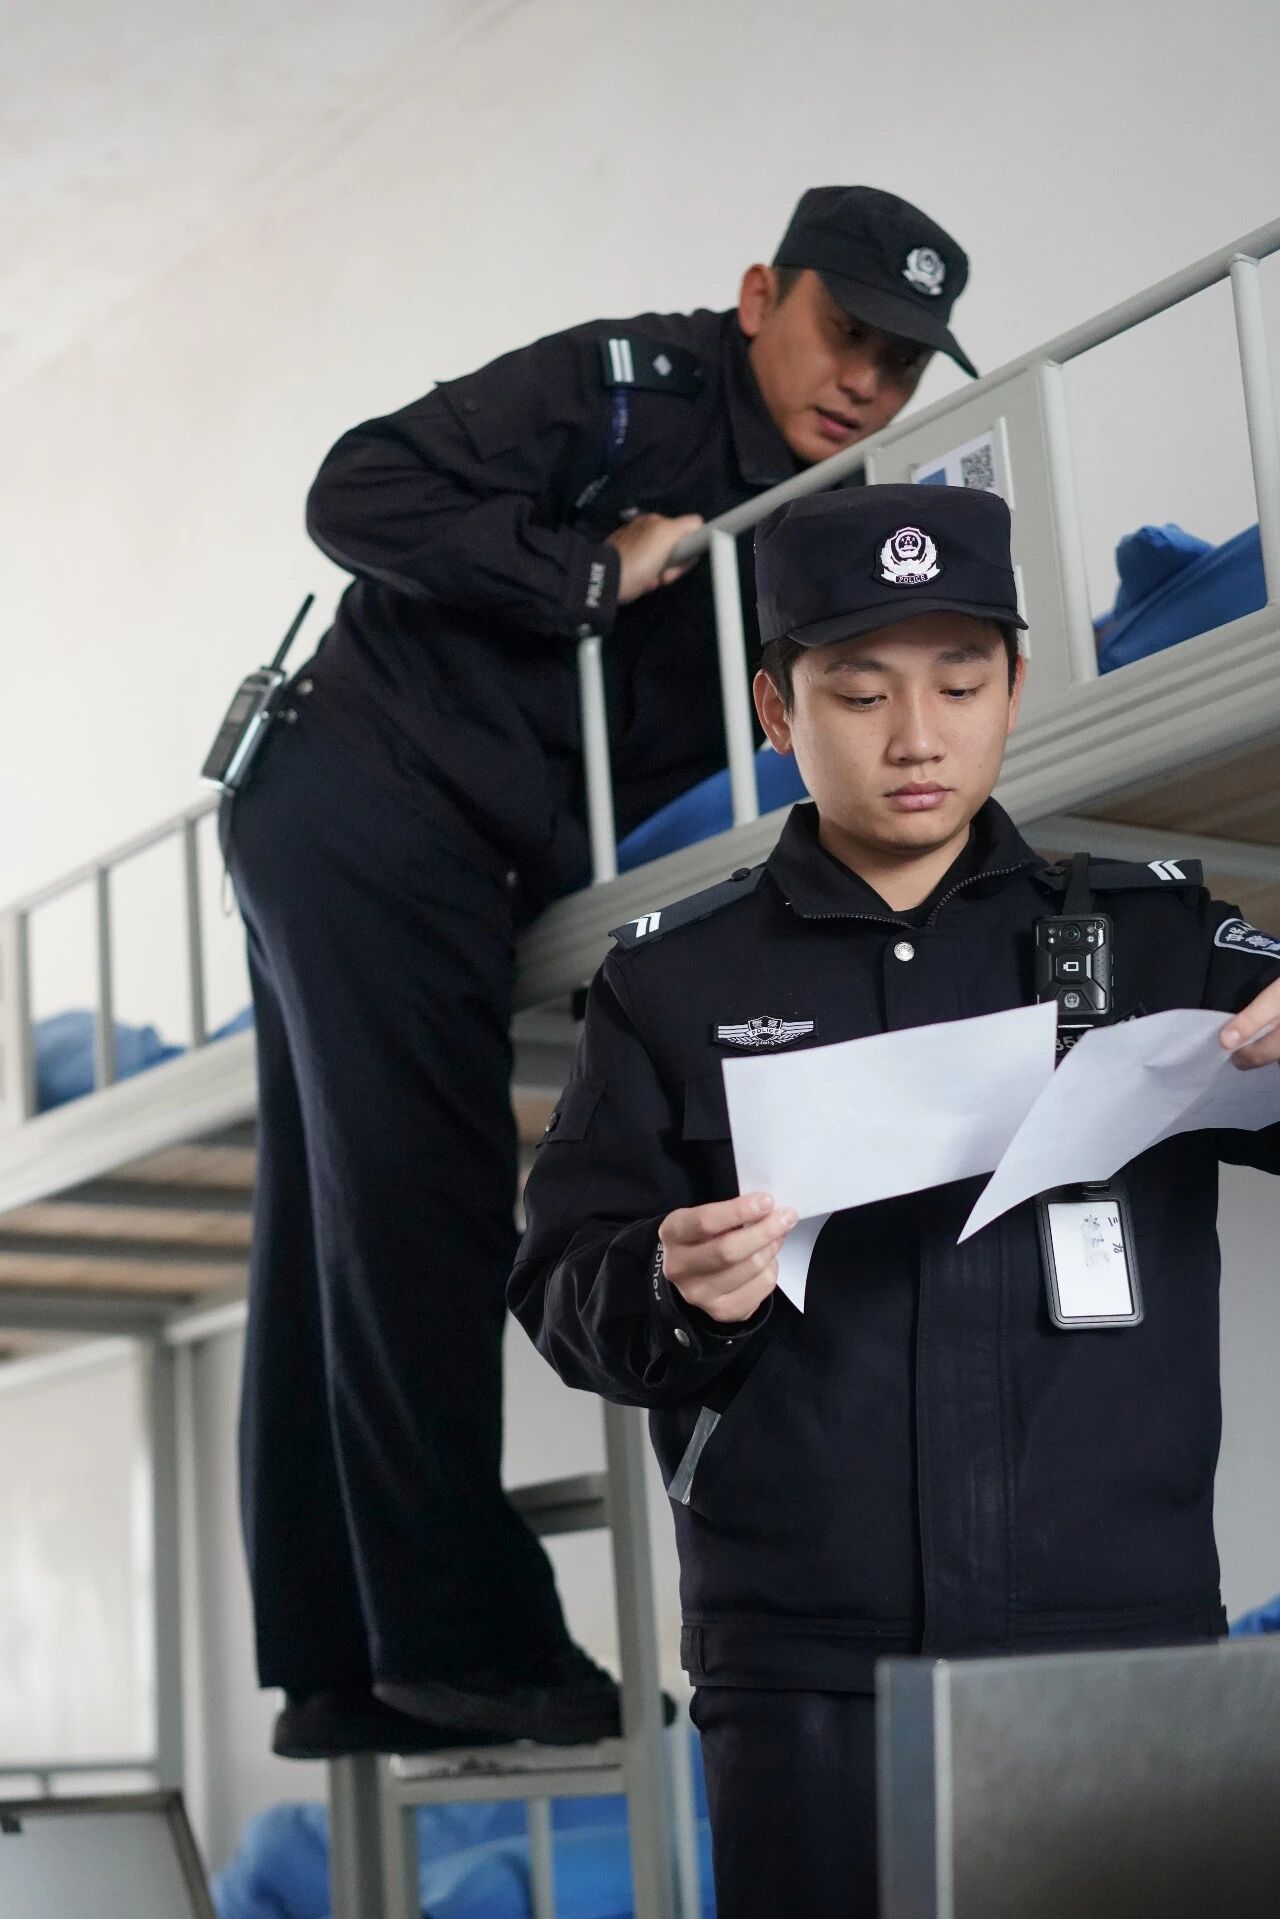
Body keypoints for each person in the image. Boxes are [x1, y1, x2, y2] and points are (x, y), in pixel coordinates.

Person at [224, 185, 977, 1762]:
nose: (867, 381)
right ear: (762, 295)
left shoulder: (823, 516)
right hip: (369, 794)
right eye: (846, 333)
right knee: (423, 1214)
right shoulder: (627, 386)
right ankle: (467, 1651)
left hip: (401, 833)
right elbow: (357, 489)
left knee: (329, 1237)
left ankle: (333, 1668)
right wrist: (583, 573)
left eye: (904, 363)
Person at [509, 483, 1280, 1915]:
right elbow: (564, 1291)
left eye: (961, 686)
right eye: (860, 694)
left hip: (1118, 1651)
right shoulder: (675, 984)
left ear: (1016, 690)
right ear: (777, 710)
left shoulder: (1156, 934)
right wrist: (671, 1286)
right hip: (808, 1675)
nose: (917, 737)